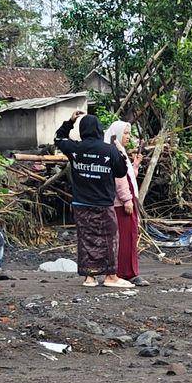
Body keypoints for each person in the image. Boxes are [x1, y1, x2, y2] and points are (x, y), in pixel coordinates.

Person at [55, 112, 134, 289]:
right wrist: (121, 153)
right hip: (104, 204)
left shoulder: (74, 148)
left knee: (85, 239)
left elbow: (58, 138)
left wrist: (70, 121)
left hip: (81, 204)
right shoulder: (109, 150)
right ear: (99, 130)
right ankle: (110, 276)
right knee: (110, 239)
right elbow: (121, 172)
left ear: (82, 130)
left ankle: (89, 278)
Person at [106, 120, 145, 284]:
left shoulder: (119, 150)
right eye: (126, 133)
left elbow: (127, 177)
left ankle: (126, 272)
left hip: (124, 201)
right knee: (126, 238)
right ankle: (126, 272)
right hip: (121, 204)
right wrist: (127, 200)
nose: (128, 136)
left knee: (128, 236)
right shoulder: (115, 151)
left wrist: (134, 166)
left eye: (129, 133)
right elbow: (118, 179)